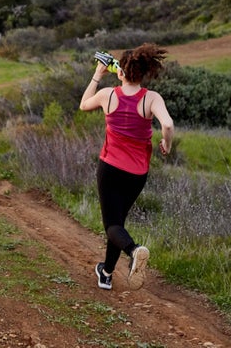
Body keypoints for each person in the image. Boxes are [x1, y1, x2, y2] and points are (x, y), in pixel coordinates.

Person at [79, 43, 174, 291]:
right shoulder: (152, 98)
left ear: (120, 71)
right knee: (118, 221)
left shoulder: (107, 94)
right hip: (137, 173)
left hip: (110, 167)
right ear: (143, 73)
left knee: (112, 224)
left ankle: (133, 250)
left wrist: (97, 75)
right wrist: (167, 143)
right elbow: (168, 125)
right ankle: (107, 273)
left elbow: (83, 104)